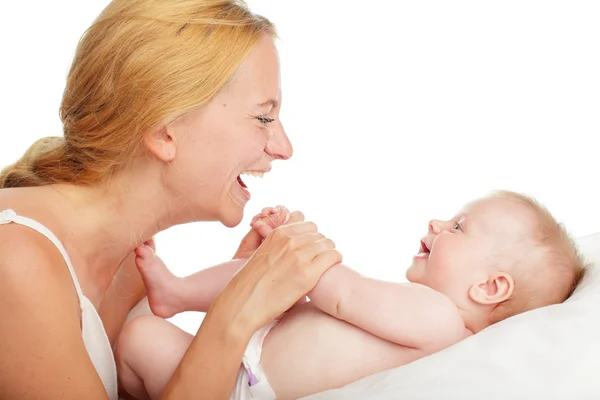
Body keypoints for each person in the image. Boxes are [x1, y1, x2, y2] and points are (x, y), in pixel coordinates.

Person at [0, 1, 342, 399]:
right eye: (264, 118)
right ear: (164, 131)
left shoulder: (129, 258)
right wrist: (236, 314)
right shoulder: (17, 261)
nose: (284, 148)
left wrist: (238, 286)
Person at [116, 191, 588, 400]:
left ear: (489, 287)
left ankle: (175, 294)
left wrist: (296, 242)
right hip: (251, 355)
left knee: (139, 337)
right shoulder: (427, 318)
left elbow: (341, 293)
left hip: (240, 386)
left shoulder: (441, 320)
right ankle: (175, 293)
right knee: (263, 280)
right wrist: (276, 267)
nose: (437, 224)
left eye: (459, 227)